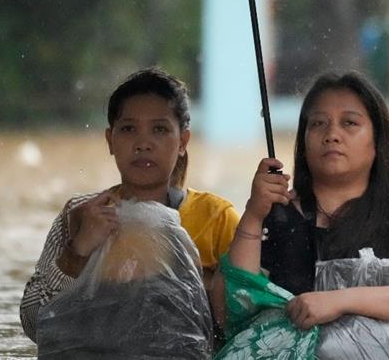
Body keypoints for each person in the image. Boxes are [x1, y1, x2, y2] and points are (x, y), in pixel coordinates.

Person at [218, 71, 389, 332]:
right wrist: (253, 215)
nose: (332, 134)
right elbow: (227, 312)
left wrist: (340, 302)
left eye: (349, 123)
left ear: (377, 142)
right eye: (318, 123)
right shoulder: (274, 217)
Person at [20, 67, 241, 343]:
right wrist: (77, 253)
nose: (143, 143)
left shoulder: (216, 218)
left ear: (183, 141)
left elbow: (249, 321)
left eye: (159, 129)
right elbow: (34, 325)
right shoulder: (81, 214)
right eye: (128, 129)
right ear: (110, 140)